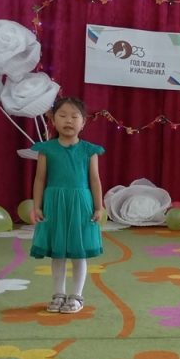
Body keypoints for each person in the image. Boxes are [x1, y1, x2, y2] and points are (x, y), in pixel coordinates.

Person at [30, 97, 105, 314]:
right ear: (53, 120)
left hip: (80, 204)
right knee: (58, 253)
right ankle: (58, 293)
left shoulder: (90, 150)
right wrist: (37, 206)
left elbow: (95, 180)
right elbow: (40, 179)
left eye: (74, 116)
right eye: (62, 116)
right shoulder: (46, 149)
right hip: (54, 204)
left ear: (84, 122)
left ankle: (77, 296)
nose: (68, 121)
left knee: (78, 252)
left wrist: (99, 207)